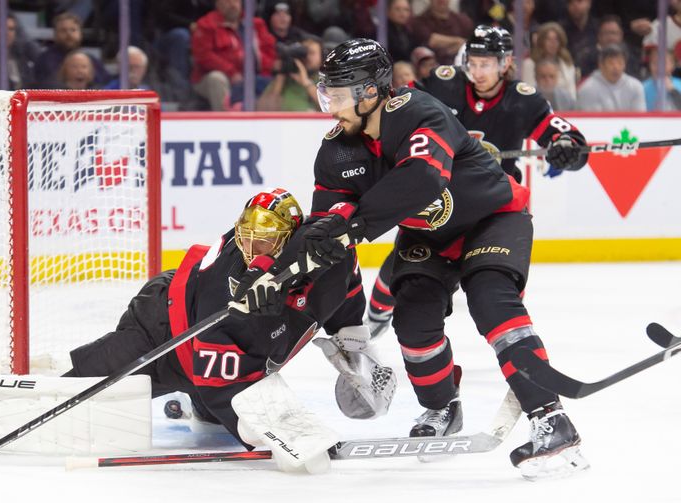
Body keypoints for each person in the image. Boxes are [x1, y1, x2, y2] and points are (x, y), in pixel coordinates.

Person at [235, 38, 589, 479]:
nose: (331, 106)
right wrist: (282, 271)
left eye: (340, 94)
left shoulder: (421, 111)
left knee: (492, 301)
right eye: (328, 93)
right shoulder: (335, 150)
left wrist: (356, 225)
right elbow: (328, 221)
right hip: (427, 236)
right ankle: (442, 406)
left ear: (370, 92)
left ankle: (551, 420)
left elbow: (422, 180)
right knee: (413, 322)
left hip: (492, 218)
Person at [66, 188, 384, 460]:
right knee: (76, 393)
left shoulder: (326, 253)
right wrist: (278, 432)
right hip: (162, 331)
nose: (250, 251)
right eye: (244, 240)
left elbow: (347, 285)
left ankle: (196, 403)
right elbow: (217, 375)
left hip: (208, 353)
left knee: (212, 414)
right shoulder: (231, 291)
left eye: (263, 243)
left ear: (290, 238)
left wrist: (351, 339)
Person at [366, 26, 587, 338]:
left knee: (500, 284)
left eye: (487, 64)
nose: (478, 71)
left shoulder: (524, 100)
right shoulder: (444, 84)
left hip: (492, 210)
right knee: (400, 268)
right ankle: (373, 322)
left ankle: (518, 350)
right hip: (440, 204)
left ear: (506, 62)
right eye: (473, 62)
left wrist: (566, 147)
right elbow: (395, 106)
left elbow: (566, 137)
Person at [191, 0, 277, 111]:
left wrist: (266, 73)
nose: (233, 5)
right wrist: (231, 72)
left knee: (277, 82)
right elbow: (203, 56)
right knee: (217, 79)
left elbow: (268, 51)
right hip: (215, 78)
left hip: (253, 78)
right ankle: (227, 122)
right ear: (218, 4)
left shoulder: (256, 24)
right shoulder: (206, 24)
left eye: (236, 1)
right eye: (227, 1)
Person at [577, 43, 646, 111]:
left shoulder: (635, 86)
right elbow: (593, 120)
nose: (616, 67)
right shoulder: (588, 89)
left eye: (620, 63)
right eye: (611, 63)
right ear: (601, 65)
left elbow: (639, 118)